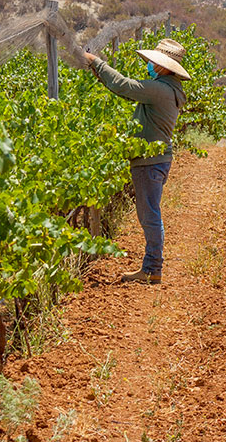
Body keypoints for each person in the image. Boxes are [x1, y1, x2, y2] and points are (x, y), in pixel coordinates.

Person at [83, 38, 190, 285]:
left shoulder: (161, 90)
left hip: (150, 162)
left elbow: (124, 86)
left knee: (149, 216)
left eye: (154, 62)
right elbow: (126, 91)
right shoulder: (168, 89)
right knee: (150, 214)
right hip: (156, 161)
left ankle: (152, 269)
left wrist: (96, 62)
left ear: (165, 66)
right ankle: (151, 267)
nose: (150, 65)